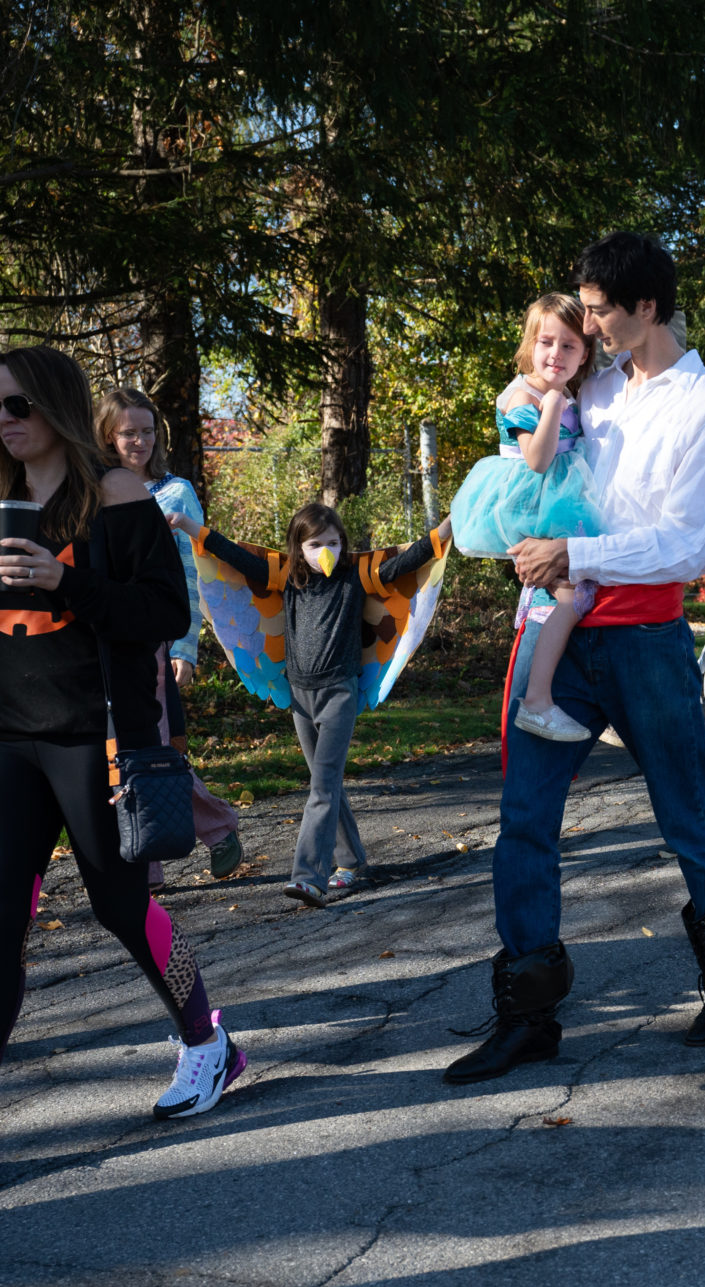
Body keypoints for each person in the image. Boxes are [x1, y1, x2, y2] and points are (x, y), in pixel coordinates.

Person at [444, 231, 705, 1085]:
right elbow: (537, 468)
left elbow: (687, 543)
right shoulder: (596, 390)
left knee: (687, 810)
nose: (585, 322)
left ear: (645, 308)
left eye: (599, 309)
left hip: (643, 637)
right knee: (525, 820)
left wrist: (573, 558)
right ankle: (529, 1011)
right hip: (555, 626)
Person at [0, 345, 242, 1118]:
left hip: (91, 735)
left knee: (121, 906)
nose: (5, 422)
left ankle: (207, 1042)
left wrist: (65, 580)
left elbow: (164, 612)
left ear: (54, 405)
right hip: (9, 737)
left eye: (17, 405)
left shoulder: (114, 490)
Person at [174, 503, 451, 906]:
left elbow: (408, 561)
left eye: (334, 542)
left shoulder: (356, 574)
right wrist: (188, 526)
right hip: (301, 698)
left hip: (339, 693)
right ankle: (352, 862)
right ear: (298, 547)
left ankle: (308, 876)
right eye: (316, 543)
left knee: (321, 787)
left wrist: (449, 526)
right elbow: (233, 554)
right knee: (328, 783)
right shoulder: (286, 576)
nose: (326, 550)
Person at [93, 387, 243, 883]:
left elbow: (188, 576)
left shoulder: (174, 494)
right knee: (115, 747)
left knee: (148, 745)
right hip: (98, 637)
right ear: (107, 436)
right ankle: (174, 842)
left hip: (151, 639)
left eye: (147, 431)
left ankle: (168, 852)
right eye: (127, 432)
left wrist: (184, 646)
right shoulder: (92, 492)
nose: (139, 441)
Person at [447, 293, 604, 742]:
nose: (556, 353)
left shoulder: (565, 392)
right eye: (546, 342)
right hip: (531, 503)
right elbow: (537, 460)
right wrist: (552, 404)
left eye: (569, 346)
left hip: (556, 501)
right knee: (571, 595)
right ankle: (537, 700)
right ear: (529, 346)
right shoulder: (525, 394)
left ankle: (582, 694)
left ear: (584, 353)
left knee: (580, 592)